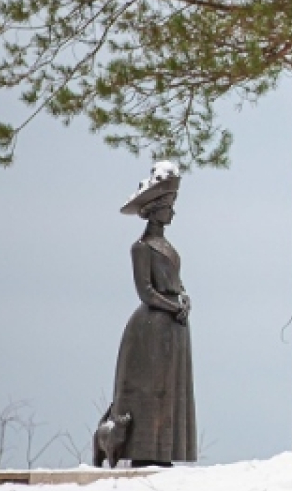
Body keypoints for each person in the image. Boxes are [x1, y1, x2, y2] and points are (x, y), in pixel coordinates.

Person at [108, 161, 197, 467]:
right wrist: (174, 306)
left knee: (171, 390)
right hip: (151, 327)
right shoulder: (141, 247)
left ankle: (166, 450)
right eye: (168, 206)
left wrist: (183, 298)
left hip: (173, 326)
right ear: (155, 209)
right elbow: (145, 291)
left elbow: (176, 282)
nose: (172, 212)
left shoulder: (167, 246)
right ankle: (147, 450)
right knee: (150, 390)